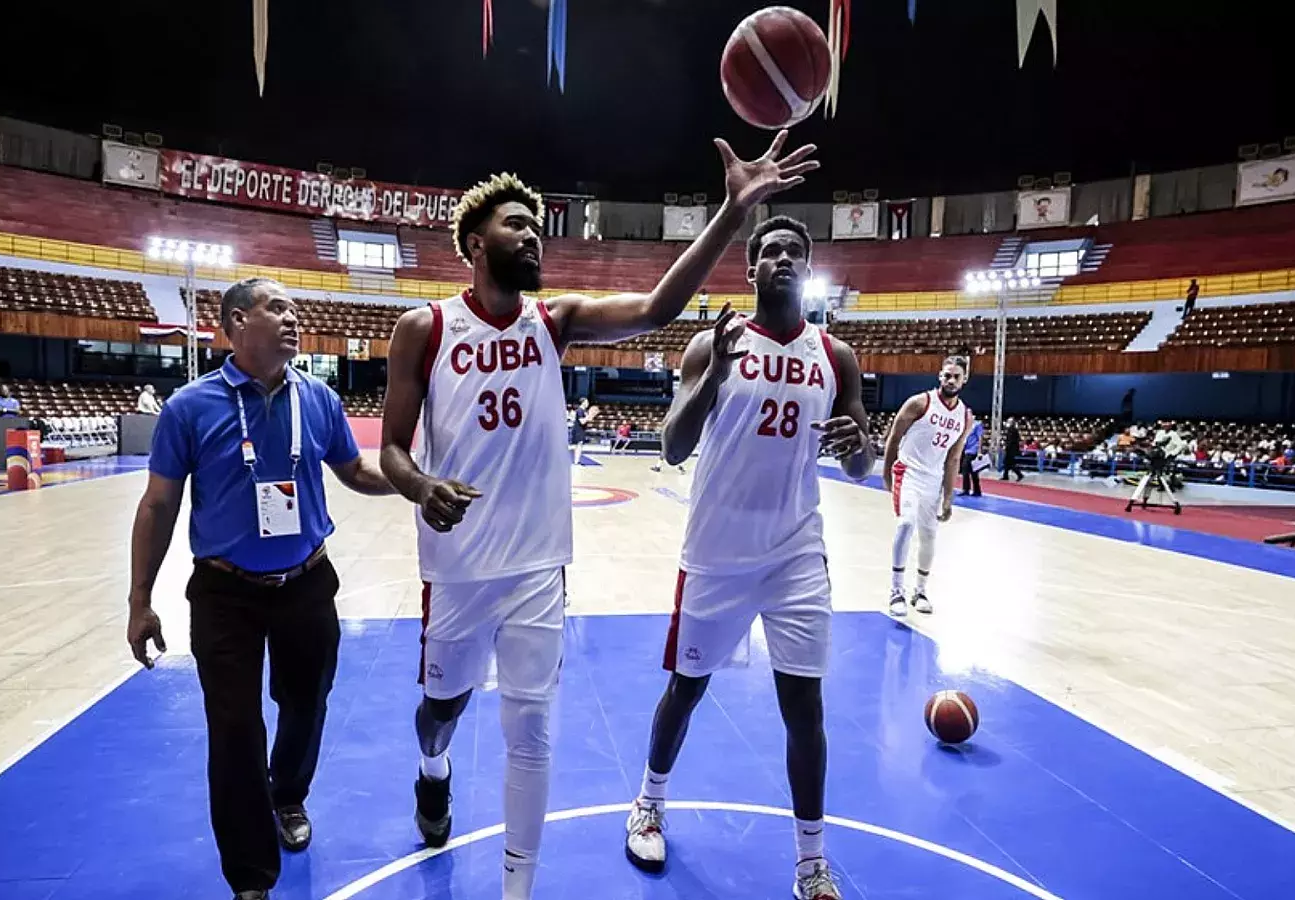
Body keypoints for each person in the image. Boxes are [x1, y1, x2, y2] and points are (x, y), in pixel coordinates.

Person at [379, 133, 817, 900]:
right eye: (519, 226)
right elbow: (390, 450)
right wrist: (420, 488)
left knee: (531, 732)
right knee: (440, 711)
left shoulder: (557, 320)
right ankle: (433, 768)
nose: (534, 237)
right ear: (477, 244)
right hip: (455, 569)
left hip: (537, 569)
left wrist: (731, 212)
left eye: (539, 227)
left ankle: (519, 889)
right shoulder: (426, 328)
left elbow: (658, 308)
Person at [622, 215, 873, 900]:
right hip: (716, 550)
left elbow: (860, 462)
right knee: (687, 687)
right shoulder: (714, 343)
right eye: (770, 252)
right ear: (751, 269)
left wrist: (860, 442)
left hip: (796, 551)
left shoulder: (836, 354)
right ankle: (648, 800)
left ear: (809, 267)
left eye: (796, 251)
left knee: (805, 709)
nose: (784, 259)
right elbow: (673, 446)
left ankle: (810, 862)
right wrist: (713, 379)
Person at [124, 278, 395, 900]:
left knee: (307, 702)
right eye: (277, 308)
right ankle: (250, 874)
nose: (292, 317)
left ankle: (288, 796)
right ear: (237, 323)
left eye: (294, 309)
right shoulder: (189, 408)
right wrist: (140, 601)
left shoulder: (319, 398)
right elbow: (159, 504)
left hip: (307, 583)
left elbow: (355, 470)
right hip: (225, 593)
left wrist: (413, 481)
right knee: (234, 727)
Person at [880, 357, 971, 615]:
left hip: (933, 480)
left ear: (964, 380)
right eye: (947, 375)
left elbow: (954, 458)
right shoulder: (920, 402)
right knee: (906, 523)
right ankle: (896, 591)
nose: (951, 380)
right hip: (908, 472)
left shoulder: (965, 416)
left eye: (956, 376)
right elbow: (894, 437)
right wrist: (887, 474)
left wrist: (948, 496)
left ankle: (920, 590)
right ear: (939, 376)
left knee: (930, 535)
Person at [960, 416, 984, 496]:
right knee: (973, 471)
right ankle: (977, 490)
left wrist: (979, 451)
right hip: (966, 449)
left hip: (973, 450)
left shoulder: (977, 424)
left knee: (965, 467)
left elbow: (980, 438)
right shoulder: (966, 425)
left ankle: (966, 489)